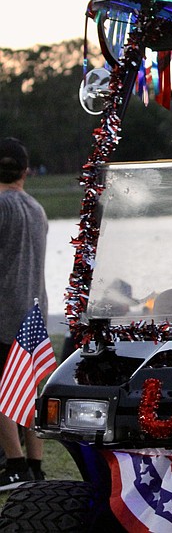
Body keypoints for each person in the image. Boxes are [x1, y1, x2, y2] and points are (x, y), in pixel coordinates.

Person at [0, 138, 48, 489]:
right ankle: (35, 465)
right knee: (28, 391)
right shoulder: (36, 208)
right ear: (26, 171)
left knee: (3, 391)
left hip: (4, 311)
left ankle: (14, 466)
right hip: (35, 311)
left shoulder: (1, 206)